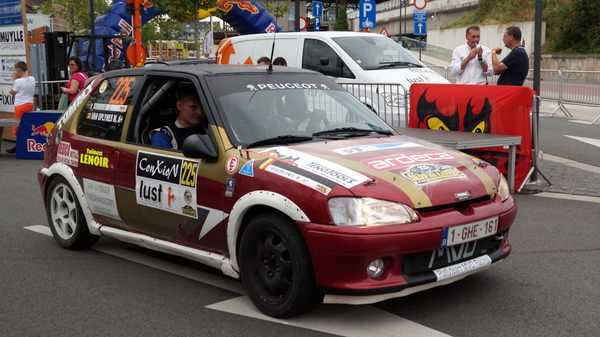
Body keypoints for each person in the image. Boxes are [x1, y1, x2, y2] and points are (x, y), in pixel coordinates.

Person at [6, 61, 35, 153]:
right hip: (29, 103)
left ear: (18, 70)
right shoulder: (32, 78)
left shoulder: (18, 81)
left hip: (20, 104)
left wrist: (14, 79)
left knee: (18, 125)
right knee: (26, 124)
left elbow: (12, 92)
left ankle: (18, 145)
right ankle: (26, 143)